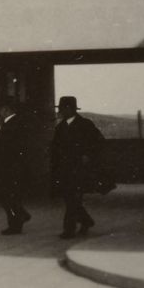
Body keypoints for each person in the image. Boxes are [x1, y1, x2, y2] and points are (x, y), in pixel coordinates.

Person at [50, 95, 105, 239]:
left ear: (70, 109)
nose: (61, 111)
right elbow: (55, 148)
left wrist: (88, 155)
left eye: (62, 109)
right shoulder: (60, 127)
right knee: (70, 198)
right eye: (60, 109)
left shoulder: (86, 124)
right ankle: (87, 221)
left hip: (80, 169)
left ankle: (69, 230)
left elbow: (99, 143)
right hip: (64, 170)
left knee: (74, 199)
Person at [0, 104, 33, 234]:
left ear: (6, 109)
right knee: (9, 196)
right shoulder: (15, 123)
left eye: (0, 110)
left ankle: (16, 224)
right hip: (11, 168)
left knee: (6, 196)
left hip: (9, 169)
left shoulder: (12, 124)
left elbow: (13, 149)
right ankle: (21, 215)